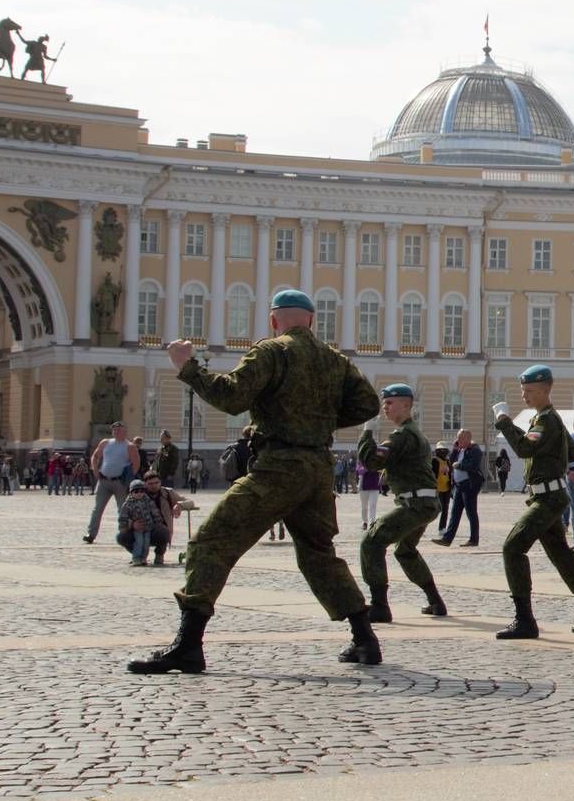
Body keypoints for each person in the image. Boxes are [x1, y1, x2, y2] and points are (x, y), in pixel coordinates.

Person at [127, 289, 383, 675]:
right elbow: (368, 405)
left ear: (273, 320)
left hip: (278, 467)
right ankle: (365, 639)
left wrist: (188, 366)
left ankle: (189, 645)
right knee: (318, 553)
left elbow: (232, 397)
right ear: (312, 321)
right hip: (317, 468)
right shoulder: (335, 360)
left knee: (211, 542)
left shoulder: (271, 351)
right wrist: (317, 422)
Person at [490, 365, 574, 640]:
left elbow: (524, 448)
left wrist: (503, 420)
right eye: (523, 391)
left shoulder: (546, 420)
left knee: (512, 548)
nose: (524, 396)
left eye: (530, 391)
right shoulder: (546, 420)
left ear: (545, 390)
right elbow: (568, 449)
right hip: (550, 495)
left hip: (547, 498)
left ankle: (525, 620)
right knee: (563, 557)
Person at [355, 383, 448, 622]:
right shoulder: (413, 433)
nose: (384, 408)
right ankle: (435, 602)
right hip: (425, 503)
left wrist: (367, 433)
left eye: (389, 403)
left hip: (415, 505)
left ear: (406, 405)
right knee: (405, 551)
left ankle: (379, 606)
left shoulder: (403, 435)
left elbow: (372, 462)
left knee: (371, 543)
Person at [84, 422, 140, 543]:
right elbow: (95, 456)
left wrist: (128, 480)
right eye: (114, 430)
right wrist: (94, 469)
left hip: (120, 482)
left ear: (125, 432)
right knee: (97, 509)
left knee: (122, 509)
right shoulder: (105, 443)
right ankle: (91, 533)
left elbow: (136, 464)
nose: (116, 432)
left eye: (119, 430)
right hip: (104, 480)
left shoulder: (129, 446)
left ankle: (123, 534)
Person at [435, 429, 484, 546]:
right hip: (458, 485)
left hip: (469, 484)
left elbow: (472, 466)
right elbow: (450, 462)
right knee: (455, 513)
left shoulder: (475, 450)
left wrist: (459, 465)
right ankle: (447, 539)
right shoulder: (461, 449)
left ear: (468, 438)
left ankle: (474, 539)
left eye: (461, 438)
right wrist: (455, 450)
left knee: (471, 512)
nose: (458, 440)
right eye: (458, 438)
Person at [117, 479, 162, 567]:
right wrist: (123, 527)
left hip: (148, 526)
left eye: (141, 491)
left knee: (146, 543)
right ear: (131, 492)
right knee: (139, 542)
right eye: (136, 491)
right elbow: (123, 517)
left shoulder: (148, 501)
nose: (139, 494)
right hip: (137, 529)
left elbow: (155, 512)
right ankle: (136, 557)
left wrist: (158, 522)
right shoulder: (128, 504)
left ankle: (143, 558)